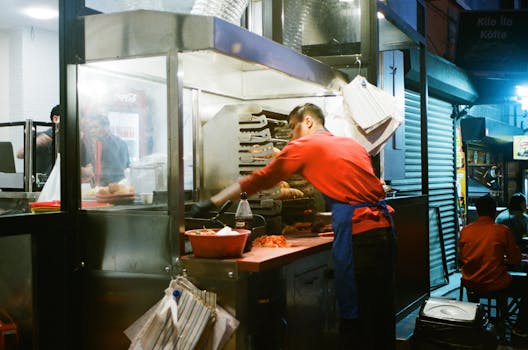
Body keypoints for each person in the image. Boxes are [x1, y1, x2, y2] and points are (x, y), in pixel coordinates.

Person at [191, 103, 396, 349]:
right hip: (384, 232)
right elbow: (359, 194)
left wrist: (213, 201)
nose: (290, 136)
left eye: (291, 127)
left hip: (359, 238)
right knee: (380, 312)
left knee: (356, 317)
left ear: (308, 121)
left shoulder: (305, 145)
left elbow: (262, 178)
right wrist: (332, 220)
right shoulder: (350, 145)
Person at [459, 194, 528, 336]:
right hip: (495, 283)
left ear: (477, 211)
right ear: (494, 211)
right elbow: (515, 260)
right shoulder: (502, 231)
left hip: (470, 282)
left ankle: (476, 321)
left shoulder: (465, 231)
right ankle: (519, 327)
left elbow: (462, 258)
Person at [80, 114, 130, 186]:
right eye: (91, 128)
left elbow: (122, 169)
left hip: (112, 186)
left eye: (96, 127)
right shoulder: (89, 143)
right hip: (94, 186)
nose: (92, 130)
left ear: (106, 127)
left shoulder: (118, 144)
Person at [16, 104, 61, 177]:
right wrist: (39, 141)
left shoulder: (74, 141)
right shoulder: (41, 136)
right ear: (55, 119)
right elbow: (19, 154)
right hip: (42, 185)